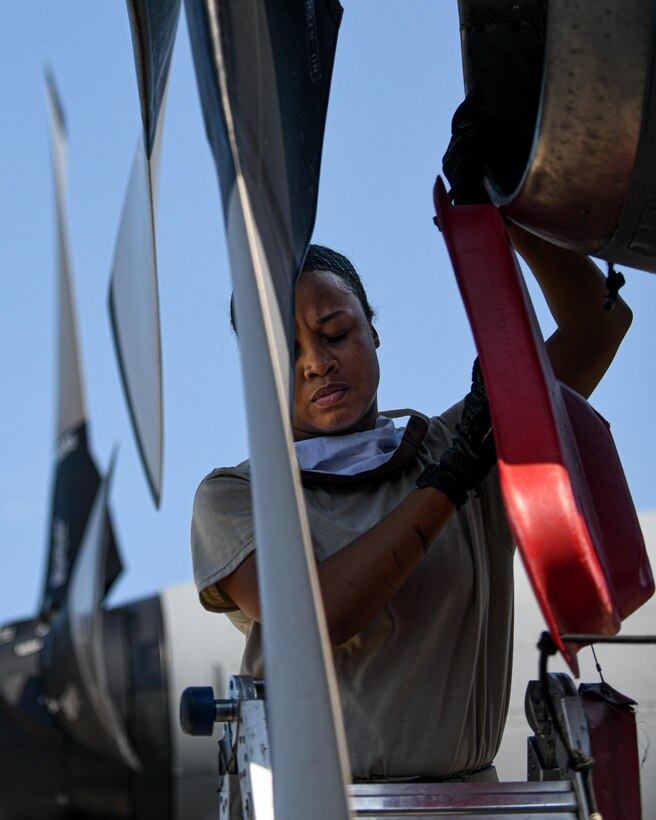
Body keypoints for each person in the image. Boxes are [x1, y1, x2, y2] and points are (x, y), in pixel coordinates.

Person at [190, 102, 633, 781]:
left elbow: (596, 327)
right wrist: (452, 482)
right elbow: (318, 615)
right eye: (286, 351)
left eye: (336, 331)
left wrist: (500, 209)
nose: (317, 362)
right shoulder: (238, 496)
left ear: (374, 332)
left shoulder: (458, 443)